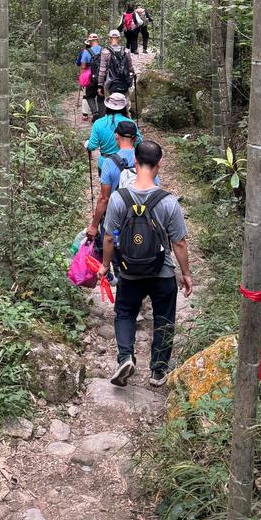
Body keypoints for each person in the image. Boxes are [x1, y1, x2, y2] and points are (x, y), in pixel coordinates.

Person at [98, 139, 193, 388]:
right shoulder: (168, 202)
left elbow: (109, 237)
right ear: (159, 164)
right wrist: (186, 273)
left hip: (129, 271)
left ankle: (125, 357)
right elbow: (179, 243)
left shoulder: (119, 198)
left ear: (135, 162)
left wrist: (106, 265)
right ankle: (158, 370)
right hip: (161, 272)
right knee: (164, 318)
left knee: (125, 313)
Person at [86, 119, 138, 242]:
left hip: (116, 216)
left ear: (116, 136)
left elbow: (104, 198)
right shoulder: (144, 157)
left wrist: (94, 226)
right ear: (135, 138)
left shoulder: (109, 163)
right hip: (141, 216)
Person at [85, 93, 142, 176]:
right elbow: (138, 142)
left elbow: (92, 146)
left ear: (107, 106)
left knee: (106, 187)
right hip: (127, 162)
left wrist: (87, 144)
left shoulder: (98, 123)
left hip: (105, 162)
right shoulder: (130, 123)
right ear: (124, 107)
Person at [98, 29, 135, 98]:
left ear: (109, 38)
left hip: (110, 83)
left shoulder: (105, 52)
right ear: (119, 38)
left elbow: (102, 71)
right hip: (124, 82)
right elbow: (130, 68)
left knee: (109, 102)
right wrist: (131, 81)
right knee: (124, 102)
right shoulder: (126, 51)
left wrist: (100, 84)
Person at [79, 33, 104, 122]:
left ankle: (95, 113)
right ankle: (102, 116)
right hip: (102, 76)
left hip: (90, 77)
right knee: (101, 97)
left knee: (89, 96)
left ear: (90, 41)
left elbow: (83, 67)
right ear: (98, 40)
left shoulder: (86, 52)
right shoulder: (104, 50)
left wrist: (81, 80)